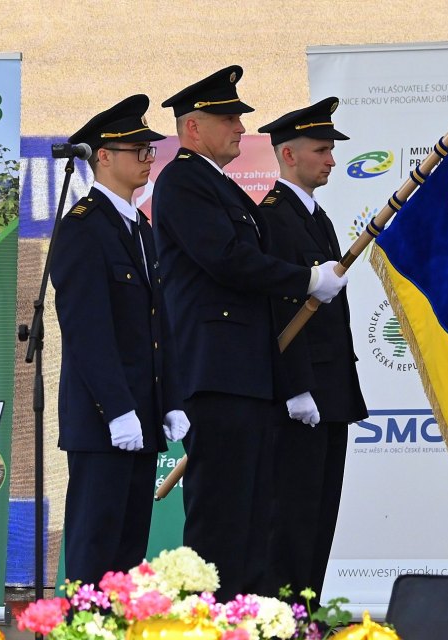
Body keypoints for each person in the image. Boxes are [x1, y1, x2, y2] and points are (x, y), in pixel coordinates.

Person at [153, 66, 348, 600]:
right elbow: (227, 259)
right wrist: (305, 279)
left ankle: (245, 618)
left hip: (247, 372)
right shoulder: (183, 181)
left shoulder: (220, 185)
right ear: (193, 128)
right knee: (220, 515)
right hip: (217, 371)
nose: (241, 127)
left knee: (253, 516)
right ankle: (205, 621)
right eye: (228, 118)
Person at [50, 94, 189, 585]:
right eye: (139, 150)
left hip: (141, 417)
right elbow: (86, 331)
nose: (149, 158)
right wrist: (117, 409)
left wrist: (168, 400)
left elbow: (157, 324)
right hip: (104, 421)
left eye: (151, 150)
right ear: (104, 156)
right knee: (95, 549)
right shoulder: (83, 228)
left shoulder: (140, 227)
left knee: (128, 553)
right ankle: (82, 625)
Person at [256, 98, 368, 602]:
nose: (331, 160)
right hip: (301, 396)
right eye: (321, 150)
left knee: (321, 517)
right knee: (292, 520)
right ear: (288, 154)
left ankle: (305, 613)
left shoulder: (315, 217)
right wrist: (296, 387)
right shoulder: (273, 218)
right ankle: (281, 618)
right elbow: (279, 310)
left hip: (330, 390)